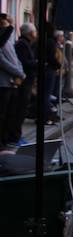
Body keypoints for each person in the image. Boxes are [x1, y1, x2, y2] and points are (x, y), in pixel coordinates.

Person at [8, 23, 37, 144]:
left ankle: (16, 135)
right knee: (20, 109)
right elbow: (23, 62)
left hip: (27, 80)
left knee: (22, 108)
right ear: (30, 33)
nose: (36, 34)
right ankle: (15, 136)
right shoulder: (22, 44)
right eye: (34, 32)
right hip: (24, 81)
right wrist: (36, 63)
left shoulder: (26, 44)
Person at [0, 15, 24, 148]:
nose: (7, 27)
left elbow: (16, 60)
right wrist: (18, 73)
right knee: (2, 114)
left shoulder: (8, 42)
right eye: (4, 24)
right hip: (3, 82)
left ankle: (7, 138)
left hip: (13, 82)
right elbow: (3, 62)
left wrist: (21, 72)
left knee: (11, 113)